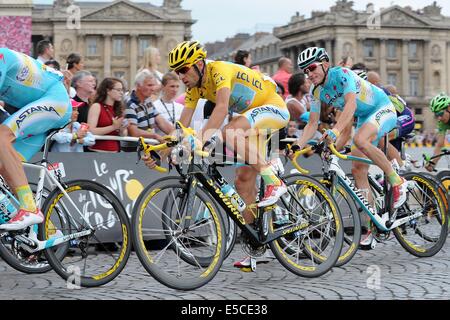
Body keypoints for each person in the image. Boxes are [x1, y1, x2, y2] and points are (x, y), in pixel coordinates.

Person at [166, 40, 289, 269]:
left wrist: (199, 139)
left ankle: (274, 181)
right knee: (243, 181)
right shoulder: (194, 89)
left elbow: (222, 108)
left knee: (230, 131)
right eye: (176, 71)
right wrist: (162, 148)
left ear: (199, 64)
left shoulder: (219, 69)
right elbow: (180, 126)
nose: (180, 76)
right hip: (252, 118)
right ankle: (257, 245)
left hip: (273, 107)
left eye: (183, 69)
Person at [292, 47, 408, 247]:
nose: (309, 74)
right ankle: (373, 225)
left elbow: (350, 106)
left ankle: (397, 181)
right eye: (306, 71)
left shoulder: (343, 75)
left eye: (312, 68)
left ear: (325, 64)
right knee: (357, 170)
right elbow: (312, 123)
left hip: (382, 108)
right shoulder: (316, 91)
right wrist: (297, 145)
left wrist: (334, 132)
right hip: (365, 117)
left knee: (361, 140)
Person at [0, 47, 71, 230]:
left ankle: (29, 209)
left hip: (55, 101)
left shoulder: (1, 57)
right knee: (4, 165)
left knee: (1, 137)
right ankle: (44, 234)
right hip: (40, 107)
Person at [123, 70, 174, 152]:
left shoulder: (148, 101)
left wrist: (177, 135)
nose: (153, 89)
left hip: (147, 151)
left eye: (153, 85)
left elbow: (162, 122)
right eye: (149, 85)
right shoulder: (130, 104)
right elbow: (134, 132)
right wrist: (155, 136)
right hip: (133, 153)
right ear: (138, 86)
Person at [87, 77, 127, 153]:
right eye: (118, 90)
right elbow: (91, 130)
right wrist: (113, 127)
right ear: (108, 90)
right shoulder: (96, 106)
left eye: (122, 90)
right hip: (98, 152)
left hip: (115, 152)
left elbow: (123, 134)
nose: (121, 93)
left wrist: (122, 129)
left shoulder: (118, 109)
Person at [426, 93, 450, 172]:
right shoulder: (442, 122)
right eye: (437, 115)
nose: (439, 118)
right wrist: (432, 163)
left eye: (440, 114)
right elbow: (440, 145)